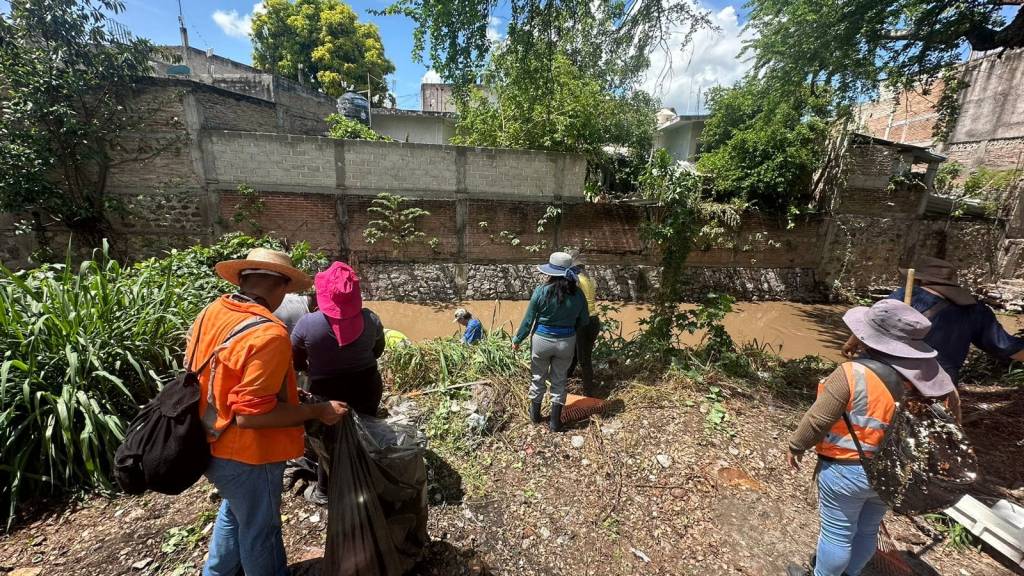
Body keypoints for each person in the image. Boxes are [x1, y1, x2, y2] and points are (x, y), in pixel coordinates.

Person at [193, 248, 348, 576]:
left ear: (244, 280)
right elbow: (251, 416)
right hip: (247, 454)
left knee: (235, 513)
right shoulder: (270, 333)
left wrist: (291, 394)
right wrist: (317, 410)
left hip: (205, 438)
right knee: (261, 532)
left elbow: (224, 373)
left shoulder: (214, 311)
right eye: (286, 291)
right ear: (279, 288)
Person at [787, 299, 956, 576]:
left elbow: (818, 420)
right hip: (894, 471)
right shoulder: (933, 379)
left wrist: (796, 446)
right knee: (866, 530)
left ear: (869, 337)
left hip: (847, 469)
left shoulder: (853, 373)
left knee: (837, 534)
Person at [842, 256, 1024, 386]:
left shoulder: (907, 294)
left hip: (882, 373)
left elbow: (873, 323)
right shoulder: (976, 310)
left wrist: (851, 343)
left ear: (920, 278)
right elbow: (1007, 348)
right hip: (936, 384)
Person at [291, 261, 386, 504]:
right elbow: (378, 350)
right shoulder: (371, 319)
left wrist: (312, 366)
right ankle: (366, 481)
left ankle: (324, 490)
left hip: (325, 392)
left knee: (328, 442)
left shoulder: (307, 324)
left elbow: (295, 359)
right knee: (364, 434)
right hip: (366, 387)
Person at [512, 252, 590, 432]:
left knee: (538, 377)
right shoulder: (578, 294)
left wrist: (517, 339)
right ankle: (555, 423)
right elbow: (584, 320)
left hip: (541, 341)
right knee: (560, 380)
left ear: (551, 272)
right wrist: (570, 327)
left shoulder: (541, 291)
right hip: (566, 342)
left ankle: (535, 417)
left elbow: (528, 320)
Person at [566, 259, 600, 393]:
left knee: (584, 359)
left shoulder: (577, 280)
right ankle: (566, 378)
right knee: (576, 353)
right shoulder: (589, 280)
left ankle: (589, 392)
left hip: (583, 322)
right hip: (594, 321)